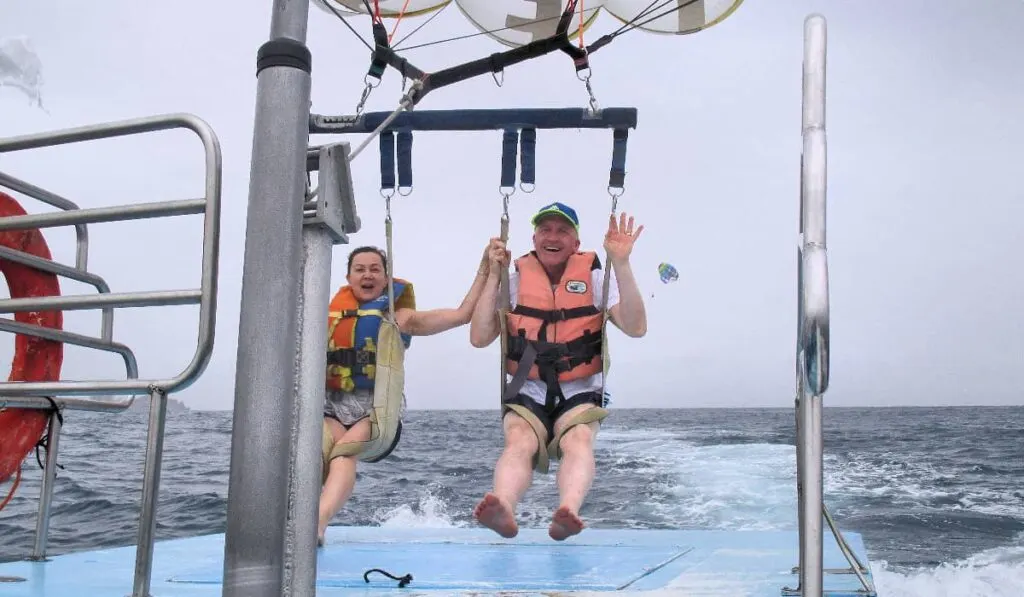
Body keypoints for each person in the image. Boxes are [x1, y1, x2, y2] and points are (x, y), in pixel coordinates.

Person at [469, 201, 647, 541]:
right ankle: (503, 505)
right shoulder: (514, 281)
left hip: (580, 389)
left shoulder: (596, 279)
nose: (553, 236)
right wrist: (494, 275)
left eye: (563, 230)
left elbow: (636, 327)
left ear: (576, 243)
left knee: (578, 439)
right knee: (520, 439)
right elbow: (479, 337)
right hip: (527, 385)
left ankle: (568, 511)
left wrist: (621, 264)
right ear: (534, 239)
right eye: (545, 230)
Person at [318, 243, 494, 546]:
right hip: (333, 408)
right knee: (314, 453)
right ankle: (293, 519)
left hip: (377, 414)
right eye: (359, 269)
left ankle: (317, 525)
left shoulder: (402, 319)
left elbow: (462, 314)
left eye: (375, 269)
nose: (367, 274)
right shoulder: (328, 316)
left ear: (386, 278)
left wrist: (486, 268)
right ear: (348, 277)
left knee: (344, 452)